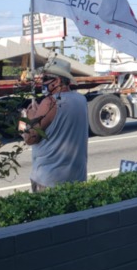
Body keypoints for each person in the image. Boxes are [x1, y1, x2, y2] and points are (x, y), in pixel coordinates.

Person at [21, 57, 89, 192]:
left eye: (46, 79)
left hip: (49, 179)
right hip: (77, 176)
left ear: (57, 81)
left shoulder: (50, 102)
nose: (42, 83)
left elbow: (30, 138)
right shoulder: (81, 100)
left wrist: (30, 116)